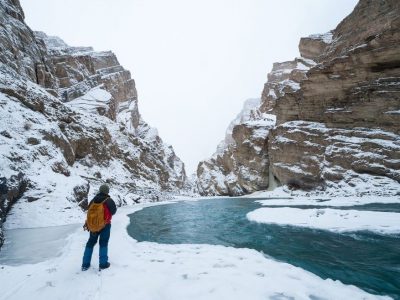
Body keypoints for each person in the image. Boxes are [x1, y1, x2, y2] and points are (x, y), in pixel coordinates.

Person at [81, 184, 117, 271]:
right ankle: (103, 264)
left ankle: (85, 265)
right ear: (107, 191)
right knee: (103, 243)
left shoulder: (93, 199)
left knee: (90, 243)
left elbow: (88, 210)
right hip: (105, 225)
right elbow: (114, 211)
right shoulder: (109, 200)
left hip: (93, 226)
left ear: (100, 190)